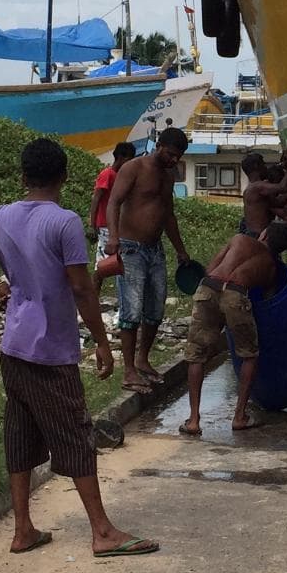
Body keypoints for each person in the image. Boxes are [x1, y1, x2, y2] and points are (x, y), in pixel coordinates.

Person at [0, 137, 156, 559]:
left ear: (23, 176)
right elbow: (81, 288)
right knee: (74, 435)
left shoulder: (1, 216)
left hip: (13, 345)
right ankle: (102, 532)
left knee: (20, 434)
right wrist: (102, 342)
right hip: (51, 349)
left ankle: (23, 528)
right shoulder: (64, 222)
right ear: (64, 176)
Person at [180, 222, 287, 435]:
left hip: (208, 289)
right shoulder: (271, 266)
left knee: (196, 355)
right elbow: (268, 303)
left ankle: (193, 421)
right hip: (236, 296)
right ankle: (239, 417)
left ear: (264, 234)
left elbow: (209, 270)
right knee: (249, 355)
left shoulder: (239, 239)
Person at [106, 126, 194, 394]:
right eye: (170, 154)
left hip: (155, 249)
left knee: (155, 308)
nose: (173, 160)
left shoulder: (169, 175)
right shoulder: (134, 168)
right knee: (131, 310)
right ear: (159, 146)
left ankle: (142, 359)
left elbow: (168, 214)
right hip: (131, 248)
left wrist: (180, 249)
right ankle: (128, 370)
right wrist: (113, 237)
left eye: (178, 157)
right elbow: (113, 202)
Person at [90, 141, 136, 284]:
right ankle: (93, 294)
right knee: (102, 266)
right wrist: (92, 225)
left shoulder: (121, 176)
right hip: (105, 226)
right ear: (121, 158)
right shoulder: (107, 174)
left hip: (117, 226)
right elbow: (96, 199)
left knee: (117, 263)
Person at [239, 150, 287, 236]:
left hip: (257, 235)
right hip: (258, 236)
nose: (265, 167)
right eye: (263, 164)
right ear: (256, 166)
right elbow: (283, 187)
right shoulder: (257, 187)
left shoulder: (253, 188)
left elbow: (280, 203)